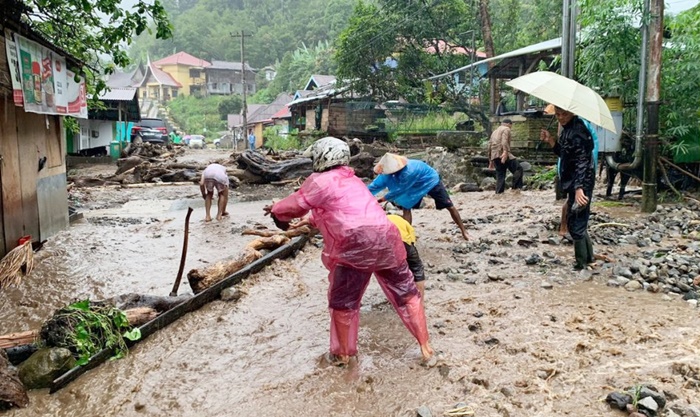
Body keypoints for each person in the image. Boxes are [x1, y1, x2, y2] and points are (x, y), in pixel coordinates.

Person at [265, 137, 433, 365]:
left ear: (321, 157)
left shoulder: (319, 180)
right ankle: (425, 347)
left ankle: (344, 356)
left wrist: (276, 210)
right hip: (387, 238)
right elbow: (338, 212)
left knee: (344, 302)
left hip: (354, 246)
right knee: (407, 294)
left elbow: (294, 205)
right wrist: (304, 221)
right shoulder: (353, 181)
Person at [540, 107, 595, 270]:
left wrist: (579, 188)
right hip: (573, 181)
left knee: (576, 221)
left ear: (572, 113)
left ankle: (581, 264)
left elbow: (582, 161)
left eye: (564, 114)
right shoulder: (567, 130)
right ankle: (588, 257)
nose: (560, 118)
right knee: (576, 218)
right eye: (557, 115)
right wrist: (551, 141)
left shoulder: (578, 130)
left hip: (581, 182)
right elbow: (565, 153)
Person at [368, 153, 470, 240]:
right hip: (412, 186)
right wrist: (363, 194)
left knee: (449, 206)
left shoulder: (408, 171)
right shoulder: (387, 173)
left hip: (430, 181)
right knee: (406, 207)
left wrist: (378, 201)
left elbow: (398, 191)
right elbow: (375, 186)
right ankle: (407, 236)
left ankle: (464, 232)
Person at [387, 213, 426, 300]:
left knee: (394, 270)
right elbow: (412, 239)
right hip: (404, 241)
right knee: (417, 268)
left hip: (386, 243)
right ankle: (420, 301)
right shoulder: (401, 221)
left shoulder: (383, 219)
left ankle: (398, 298)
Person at [487, 119, 523, 194]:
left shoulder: (494, 131)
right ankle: (515, 189)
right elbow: (504, 141)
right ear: (509, 124)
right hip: (503, 154)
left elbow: (489, 145)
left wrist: (490, 160)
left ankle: (499, 193)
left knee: (500, 175)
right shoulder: (506, 129)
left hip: (495, 155)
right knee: (518, 169)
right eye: (511, 126)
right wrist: (505, 152)